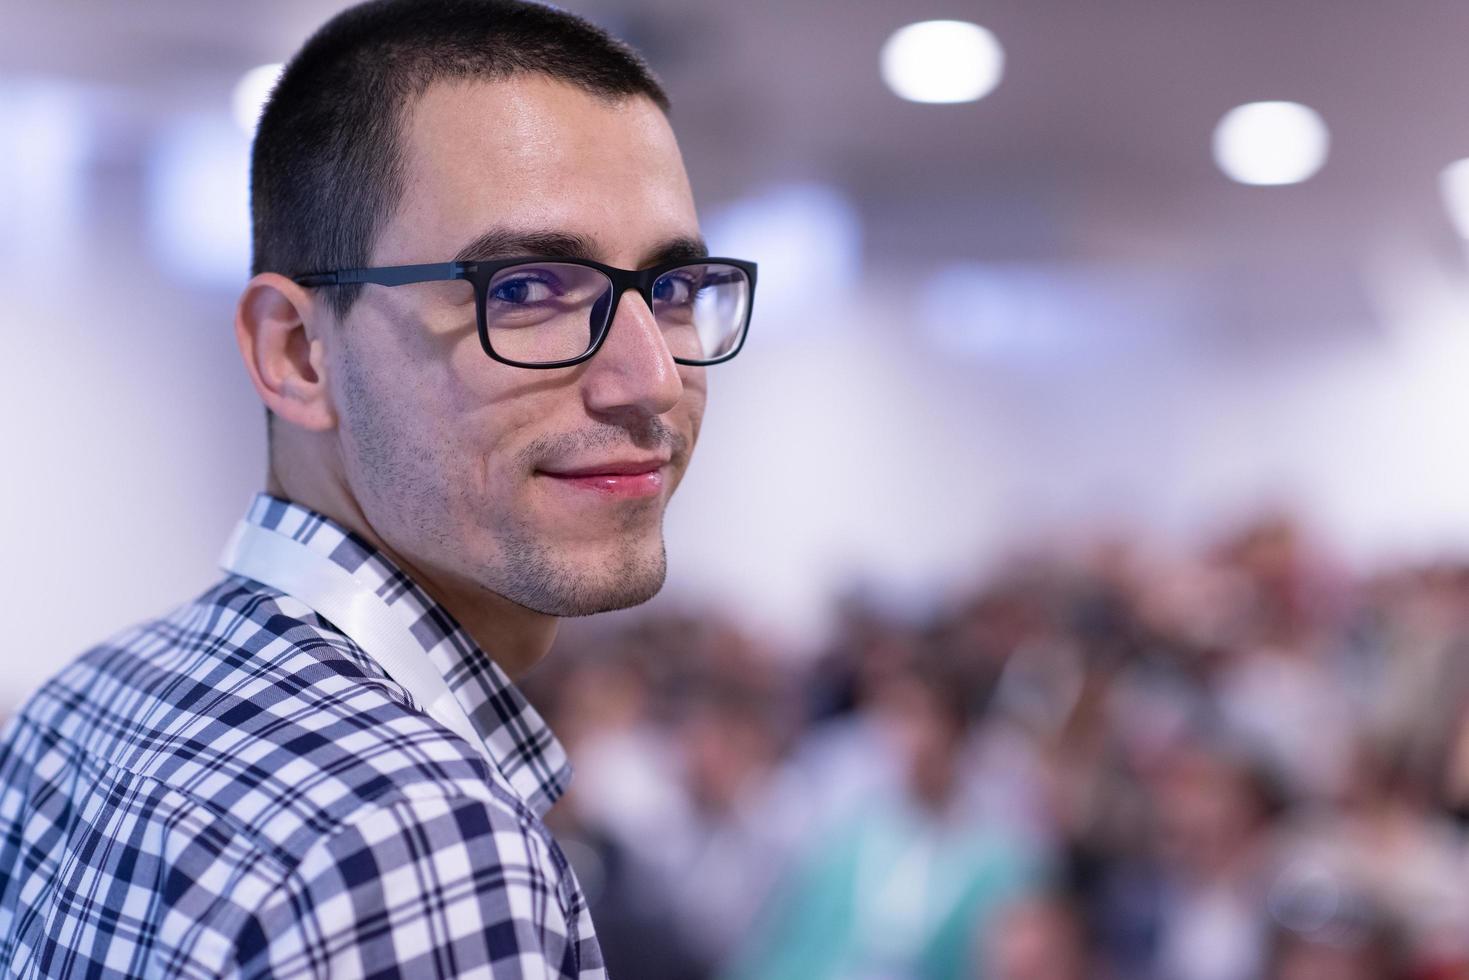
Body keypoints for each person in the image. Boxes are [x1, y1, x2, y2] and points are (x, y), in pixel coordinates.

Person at [0, 1, 755, 976]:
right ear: (297, 353)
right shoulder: (410, 835)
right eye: (525, 289)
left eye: (671, 287)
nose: (650, 377)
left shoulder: (86, 702)